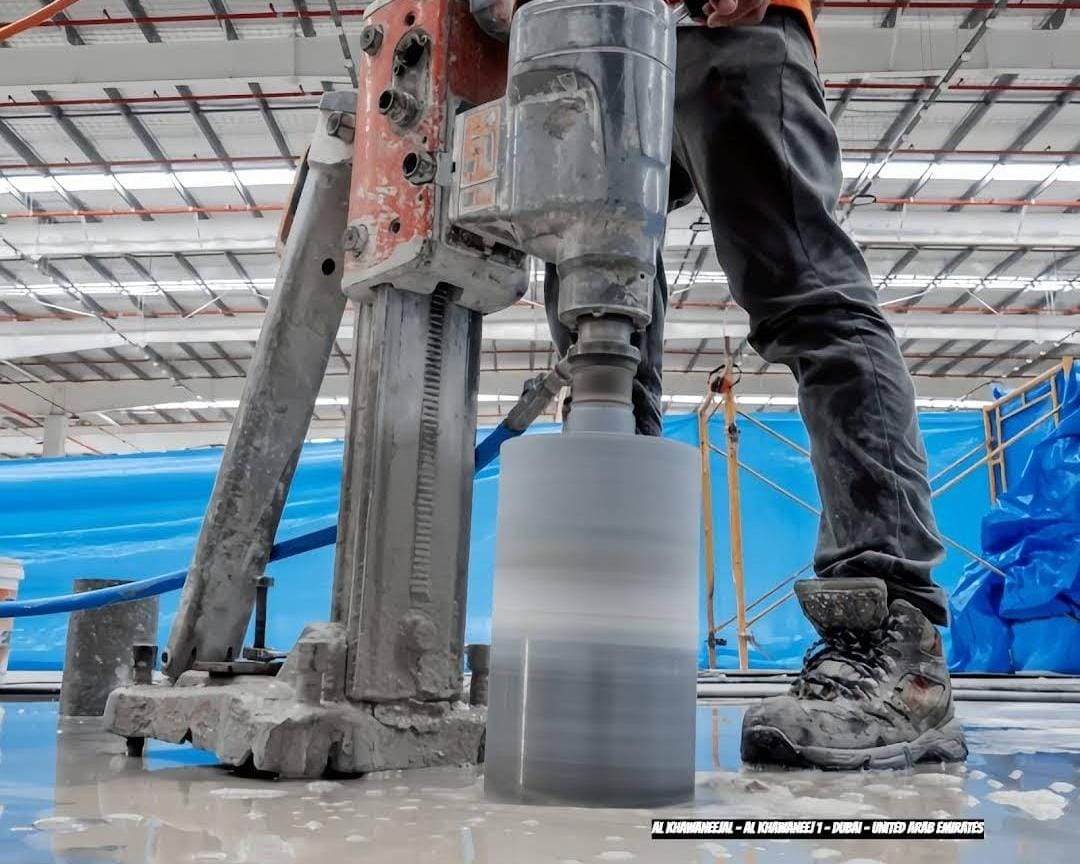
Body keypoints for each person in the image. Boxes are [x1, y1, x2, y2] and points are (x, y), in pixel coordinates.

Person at [543, 0, 968, 769]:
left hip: (718, 26)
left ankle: (897, 646)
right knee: (597, 322)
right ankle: (613, 635)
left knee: (810, 300)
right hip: (582, 44)